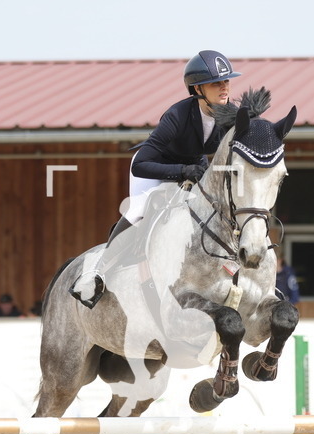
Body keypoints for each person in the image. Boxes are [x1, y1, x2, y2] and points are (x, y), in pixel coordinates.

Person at [70, 49, 241, 308]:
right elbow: (141, 165)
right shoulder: (177, 115)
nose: (224, 87)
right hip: (155, 166)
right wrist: (182, 171)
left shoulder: (230, 115)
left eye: (226, 81)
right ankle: (97, 273)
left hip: (193, 166)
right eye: (216, 83)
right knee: (140, 209)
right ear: (197, 89)